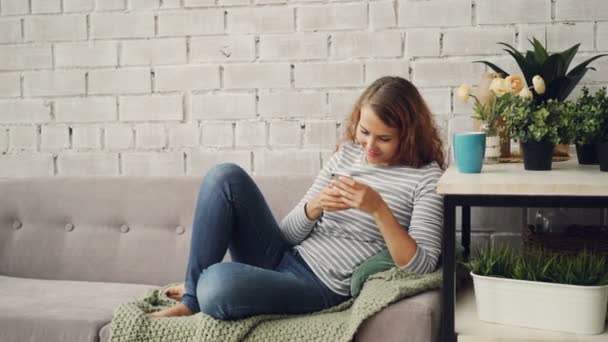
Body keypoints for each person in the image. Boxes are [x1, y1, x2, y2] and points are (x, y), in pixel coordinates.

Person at [149, 76, 446, 320]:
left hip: (318, 285)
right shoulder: (346, 156)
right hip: (284, 257)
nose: (369, 147)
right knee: (224, 177)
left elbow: (422, 265)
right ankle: (191, 299)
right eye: (364, 132)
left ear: (408, 135)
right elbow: (287, 235)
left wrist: (378, 209)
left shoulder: (425, 177)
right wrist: (314, 207)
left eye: (384, 139)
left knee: (216, 284)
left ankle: (202, 289)